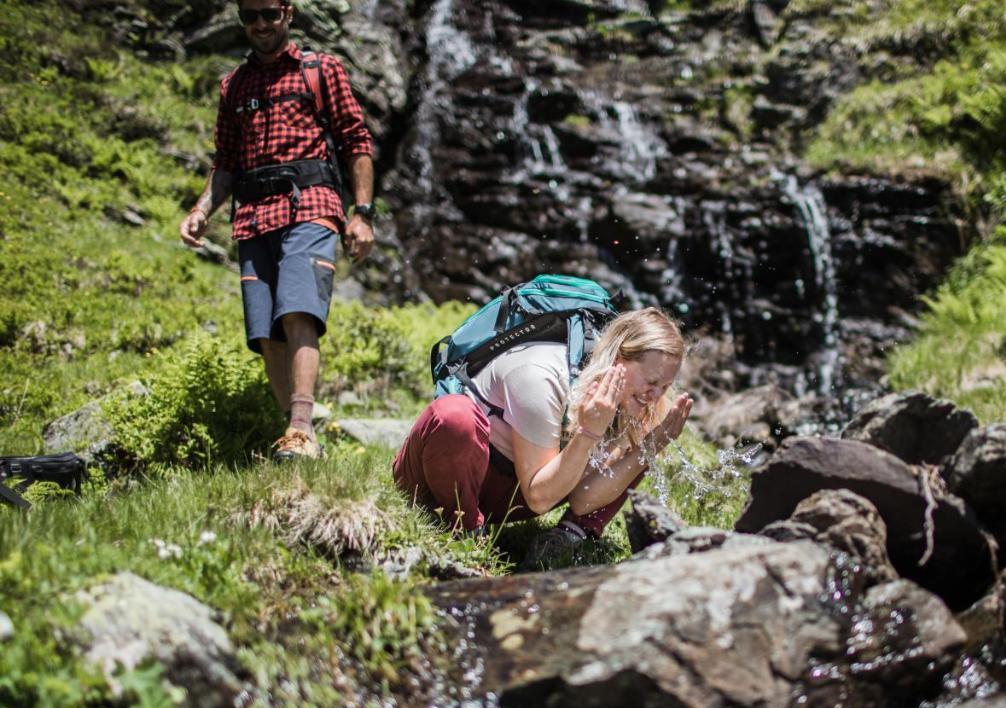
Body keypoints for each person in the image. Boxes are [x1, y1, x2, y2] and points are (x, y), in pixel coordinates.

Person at [178, 0, 376, 460]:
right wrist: (201, 210)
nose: (261, 24)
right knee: (267, 331)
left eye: (269, 13)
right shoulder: (234, 85)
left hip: (310, 205)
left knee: (298, 311)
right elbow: (226, 161)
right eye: (251, 15)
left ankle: (303, 429)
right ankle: (293, 433)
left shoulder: (320, 70)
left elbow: (356, 140)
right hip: (252, 217)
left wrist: (362, 212)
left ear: (288, 13)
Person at [393, 307, 694, 567]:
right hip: (441, 479)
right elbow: (539, 498)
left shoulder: (633, 398)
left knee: (637, 449)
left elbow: (584, 499)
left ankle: (565, 541)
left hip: (512, 493)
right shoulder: (540, 375)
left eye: (665, 386)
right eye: (652, 381)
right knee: (453, 416)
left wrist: (651, 446)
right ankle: (467, 535)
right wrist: (589, 432)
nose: (655, 395)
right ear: (618, 359)